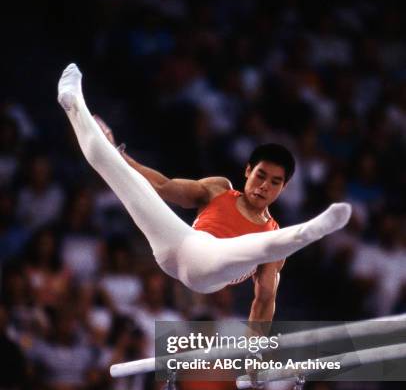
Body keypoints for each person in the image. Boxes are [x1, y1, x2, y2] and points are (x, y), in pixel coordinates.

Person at [58, 64, 351, 321]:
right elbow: (162, 186)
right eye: (260, 175)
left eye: (274, 182)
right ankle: (73, 105)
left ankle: (308, 232)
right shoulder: (218, 189)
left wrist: (253, 351)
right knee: (111, 165)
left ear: (283, 188)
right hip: (176, 244)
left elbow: (263, 301)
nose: (264, 185)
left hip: (208, 272)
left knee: (263, 244)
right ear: (247, 171)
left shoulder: (269, 234)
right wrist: (122, 157)